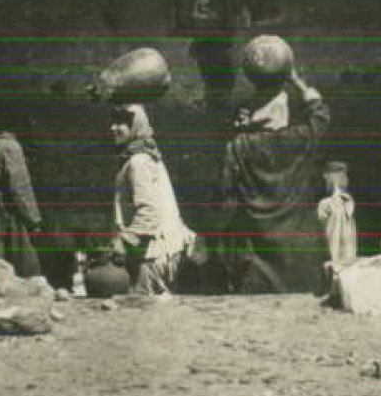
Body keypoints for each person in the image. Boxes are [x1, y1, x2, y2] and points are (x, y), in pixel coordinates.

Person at [217, 66, 331, 293]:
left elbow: (222, 199)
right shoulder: (299, 139)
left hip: (259, 259)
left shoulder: (238, 146)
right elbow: (320, 115)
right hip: (303, 256)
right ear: (284, 113)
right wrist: (299, 83)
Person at [108, 103, 194, 296]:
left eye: (121, 123)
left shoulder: (139, 162)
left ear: (136, 125)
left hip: (152, 256)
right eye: (112, 122)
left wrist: (124, 241)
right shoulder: (145, 155)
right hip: (160, 250)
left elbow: (149, 212)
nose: (113, 128)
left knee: (144, 314)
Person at [0, 117, 44, 278]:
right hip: (13, 216)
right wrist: (33, 219)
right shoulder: (12, 148)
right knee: (27, 271)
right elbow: (19, 187)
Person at [317, 160, 358, 294]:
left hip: (346, 239)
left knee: (347, 257)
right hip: (332, 237)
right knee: (334, 257)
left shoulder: (347, 200)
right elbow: (322, 218)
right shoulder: (325, 203)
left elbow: (349, 210)